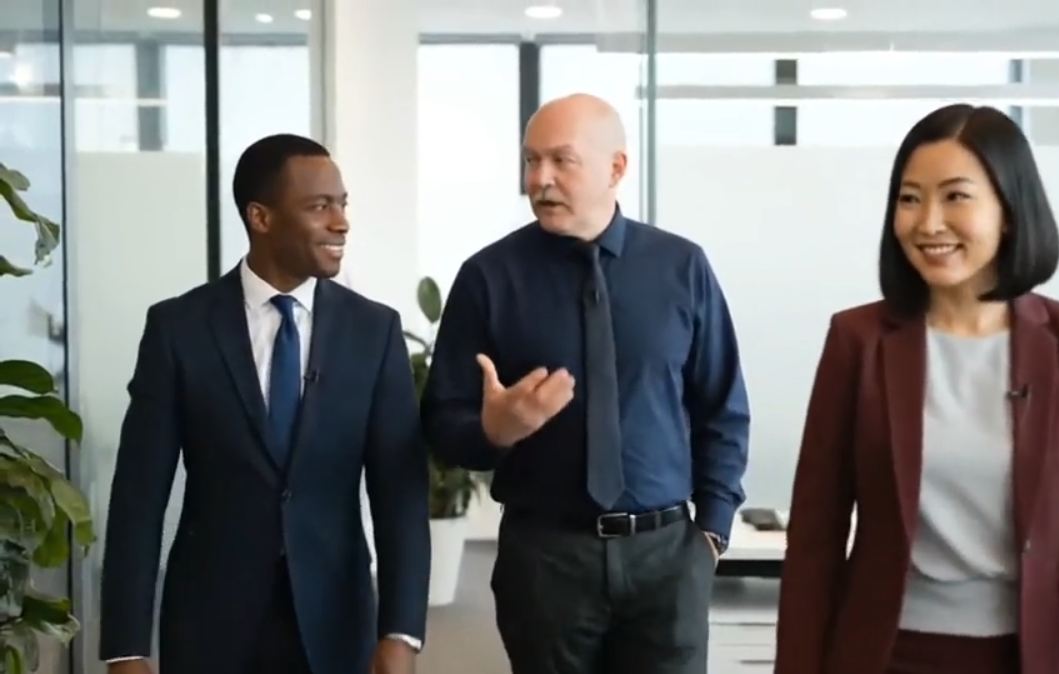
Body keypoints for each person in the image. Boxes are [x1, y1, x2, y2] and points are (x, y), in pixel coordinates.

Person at [774, 103, 1059, 674]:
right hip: (885, 654)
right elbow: (815, 538)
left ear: (1010, 210)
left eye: (956, 196)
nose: (928, 223)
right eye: (910, 198)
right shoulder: (858, 340)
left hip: (1035, 655)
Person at [422, 93, 750, 674]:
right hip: (544, 560)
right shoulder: (487, 278)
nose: (539, 179)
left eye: (560, 160)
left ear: (616, 168)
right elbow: (442, 424)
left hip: (666, 558)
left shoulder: (682, 267)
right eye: (530, 160)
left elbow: (721, 407)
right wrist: (494, 431)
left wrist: (712, 534)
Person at [100, 134, 431, 674]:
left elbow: (400, 495)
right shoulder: (178, 329)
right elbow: (138, 498)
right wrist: (126, 649)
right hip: (209, 625)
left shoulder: (375, 332)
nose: (341, 223)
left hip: (336, 622)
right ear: (261, 217)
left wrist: (401, 633)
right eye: (320, 206)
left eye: (342, 204)